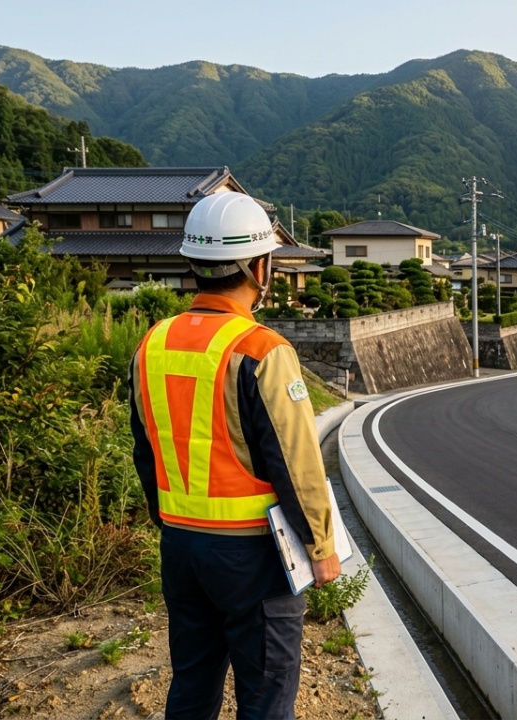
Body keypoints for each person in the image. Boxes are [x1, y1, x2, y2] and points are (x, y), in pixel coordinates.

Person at [129, 191, 341, 720]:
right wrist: (320, 545)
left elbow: (145, 449)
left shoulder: (152, 343)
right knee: (265, 700)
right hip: (254, 558)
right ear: (259, 265)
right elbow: (295, 461)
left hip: (181, 548)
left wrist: (169, 521)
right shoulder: (261, 350)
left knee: (192, 687)